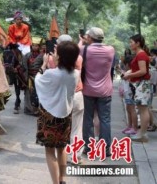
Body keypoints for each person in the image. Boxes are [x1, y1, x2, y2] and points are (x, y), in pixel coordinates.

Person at [35, 41, 80, 184]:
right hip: (66, 115)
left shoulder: (51, 73)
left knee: (50, 151)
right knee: (62, 148)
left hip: (50, 116)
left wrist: (43, 66)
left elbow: (38, 81)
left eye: (56, 53)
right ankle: (62, 179)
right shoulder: (76, 74)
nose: (53, 55)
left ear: (60, 57)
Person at [43, 34, 84, 165]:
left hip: (60, 97)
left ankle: (61, 154)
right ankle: (75, 155)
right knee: (77, 127)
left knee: (62, 127)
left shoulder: (52, 59)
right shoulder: (78, 58)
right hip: (77, 94)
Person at [79, 27, 115, 155]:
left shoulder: (84, 50)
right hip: (105, 91)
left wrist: (81, 41)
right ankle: (106, 149)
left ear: (89, 37)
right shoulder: (111, 50)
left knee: (88, 118)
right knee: (105, 119)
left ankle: (88, 147)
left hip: (88, 90)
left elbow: (78, 59)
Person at [121, 34, 152, 142]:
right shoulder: (139, 54)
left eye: (131, 42)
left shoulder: (141, 55)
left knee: (143, 110)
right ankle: (141, 133)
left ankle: (142, 134)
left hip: (142, 84)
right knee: (142, 109)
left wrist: (129, 75)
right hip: (140, 84)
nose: (130, 44)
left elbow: (143, 71)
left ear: (138, 43)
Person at [22, 37, 44, 116]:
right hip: (29, 77)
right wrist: (25, 77)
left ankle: (39, 109)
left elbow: (44, 67)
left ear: (39, 47)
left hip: (39, 77)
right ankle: (29, 109)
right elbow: (24, 67)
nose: (35, 47)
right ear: (31, 46)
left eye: (37, 46)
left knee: (39, 93)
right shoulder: (27, 55)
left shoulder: (42, 56)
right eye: (33, 45)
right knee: (29, 93)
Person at [120, 49, 138, 136]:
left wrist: (123, 74)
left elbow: (124, 77)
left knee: (132, 110)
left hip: (130, 93)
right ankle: (130, 126)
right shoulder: (130, 71)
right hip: (127, 93)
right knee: (128, 109)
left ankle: (134, 128)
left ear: (128, 64)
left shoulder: (130, 72)